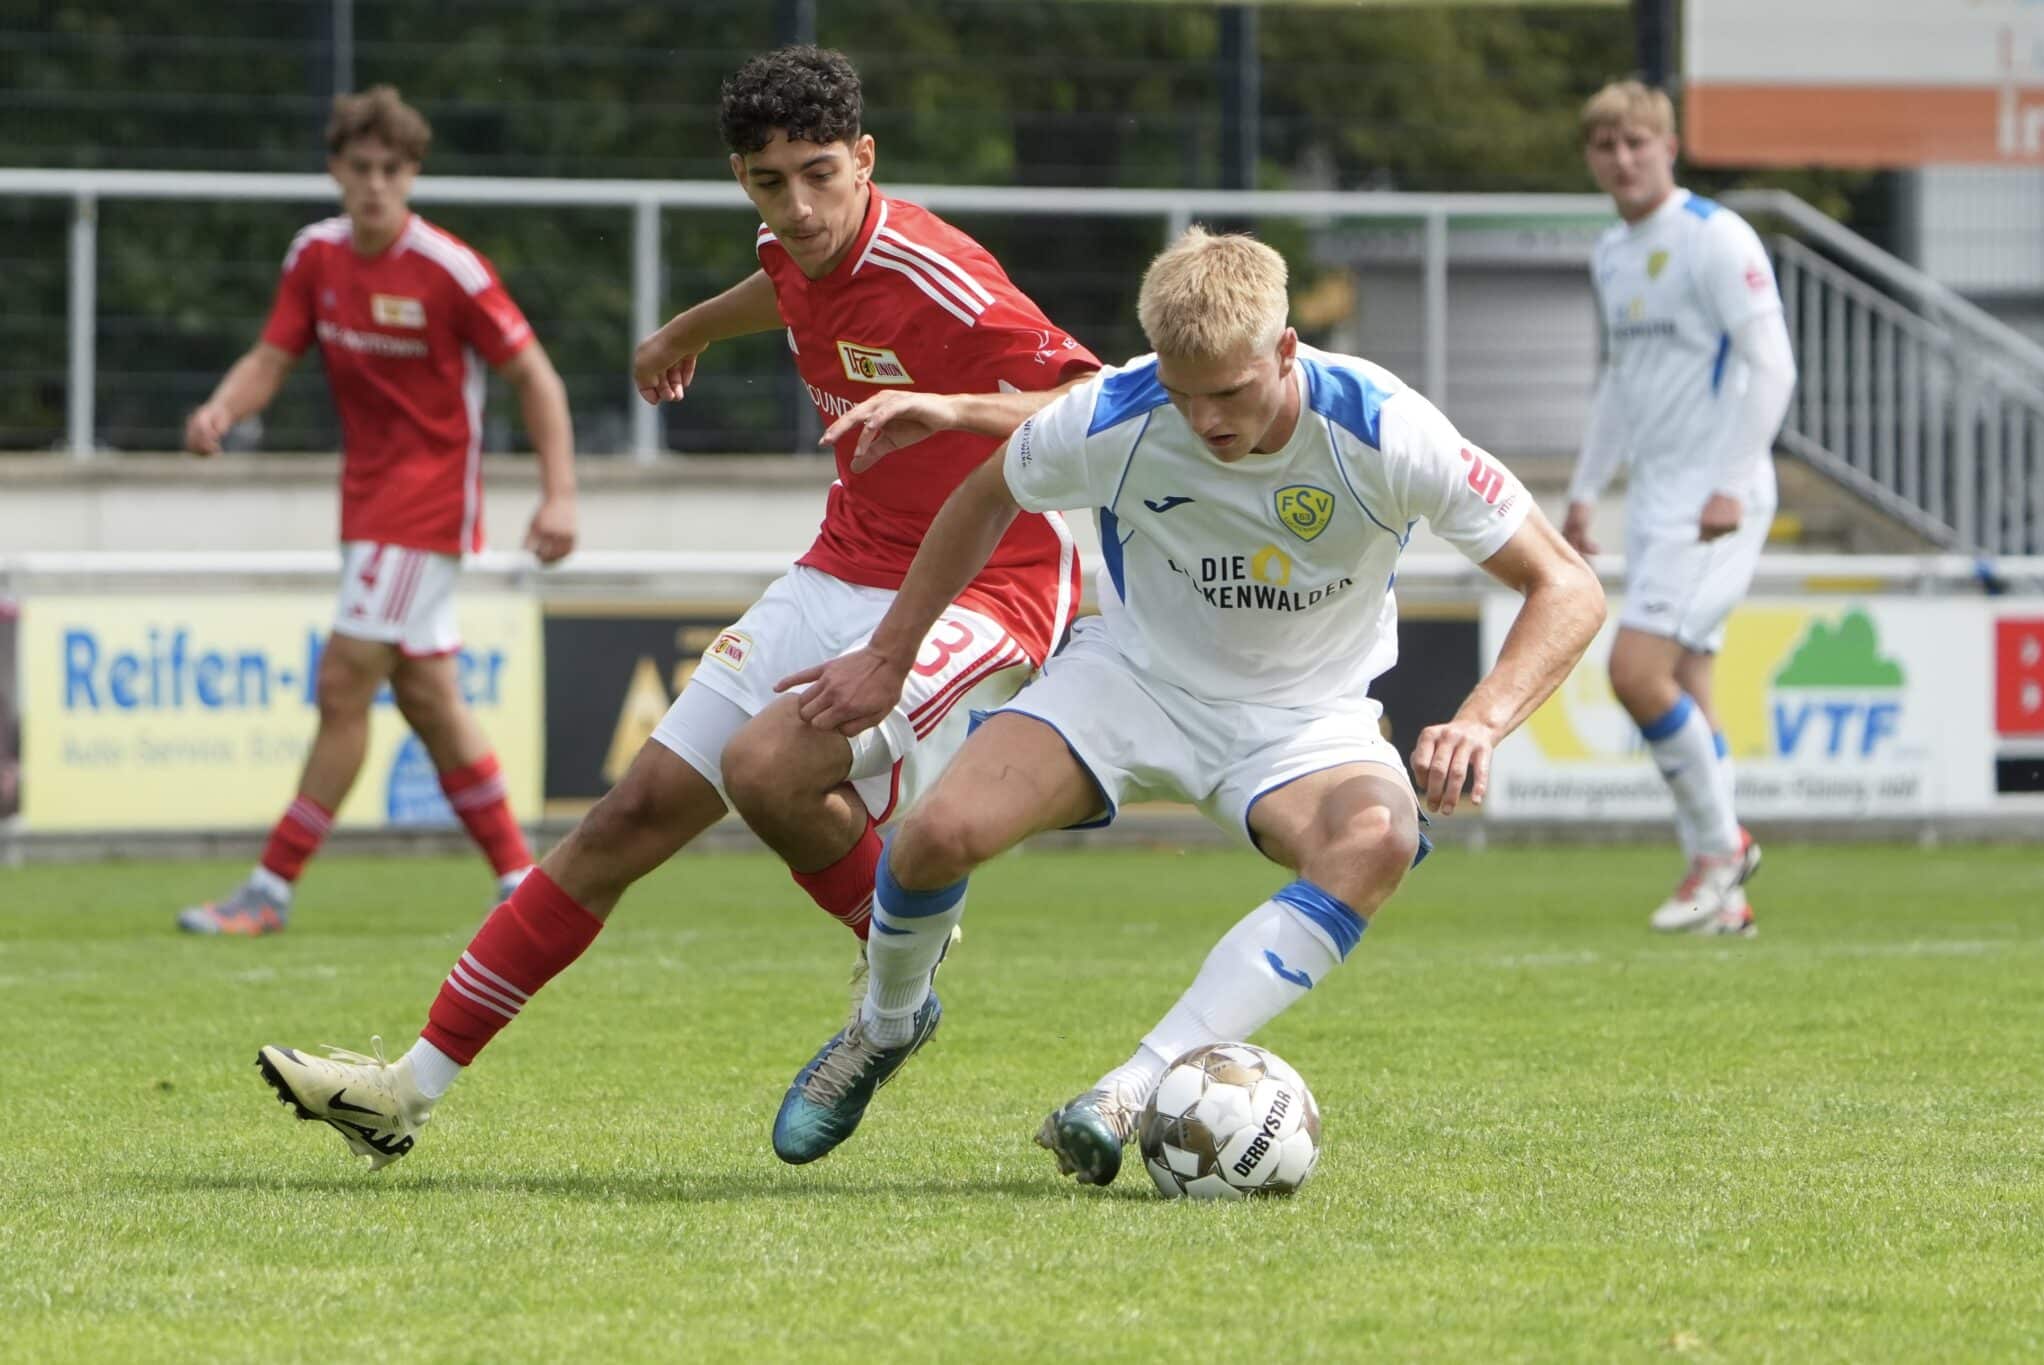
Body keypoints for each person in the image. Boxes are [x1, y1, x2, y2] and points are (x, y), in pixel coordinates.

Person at [250, 46, 1099, 1168]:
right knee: (627, 817)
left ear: (865, 159)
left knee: (767, 767)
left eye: (821, 175)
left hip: (986, 581)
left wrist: (945, 405)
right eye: (769, 183)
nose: (798, 207)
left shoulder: (938, 270)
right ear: (742, 178)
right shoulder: (789, 242)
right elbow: (783, 282)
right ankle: (402, 1094)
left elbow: (1096, 394)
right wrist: (687, 330)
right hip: (841, 563)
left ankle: (894, 995)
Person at [765, 227, 1606, 1181]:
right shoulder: (1116, 413)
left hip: (1303, 718)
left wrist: (1482, 718)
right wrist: (889, 655)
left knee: (1378, 836)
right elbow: (985, 495)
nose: (1205, 420)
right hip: (1131, 681)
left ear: (1286, 350)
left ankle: (1131, 1088)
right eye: (1182, 392)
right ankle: (886, 1024)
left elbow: (1567, 585)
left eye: (1231, 393)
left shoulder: (1386, 429)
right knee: (935, 836)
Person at [177, 85, 577, 936]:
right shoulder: (314, 256)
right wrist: (221, 409)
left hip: (424, 506)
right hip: (366, 505)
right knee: (429, 697)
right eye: (360, 168)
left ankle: (270, 887)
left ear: (413, 174)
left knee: (342, 681)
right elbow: (271, 356)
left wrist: (561, 494)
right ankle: (522, 880)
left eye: (392, 170)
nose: (375, 185)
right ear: (335, 169)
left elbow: (536, 376)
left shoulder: (449, 269)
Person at [1568, 80, 1796, 937]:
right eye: (1606, 146)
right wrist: (1585, 489)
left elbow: (1773, 365)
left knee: (1634, 672)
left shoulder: (1715, 236)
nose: (1623, 159)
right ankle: (1728, 902)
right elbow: (1620, 382)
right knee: (1690, 685)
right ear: (1592, 159)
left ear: (1669, 147)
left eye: (1637, 143)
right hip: (1659, 500)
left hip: (1713, 501)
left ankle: (1720, 849)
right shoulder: (1611, 252)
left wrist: (1730, 481)